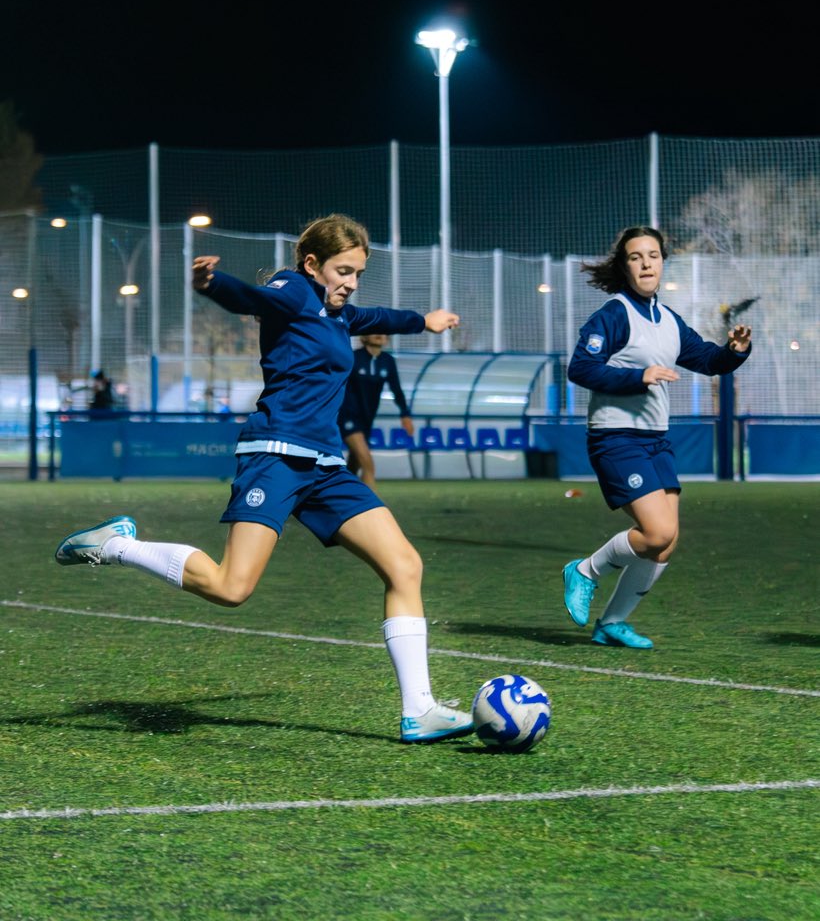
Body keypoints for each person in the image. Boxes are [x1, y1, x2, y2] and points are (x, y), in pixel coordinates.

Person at [54, 213, 473, 744]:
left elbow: (374, 313)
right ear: (312, 263)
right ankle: (116, 545)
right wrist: (213, 285)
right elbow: (254, 300)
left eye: (359, 272)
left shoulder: (336, 311)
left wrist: (425, 321)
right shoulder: (293, 291)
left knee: (405, 565)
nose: (351, 282)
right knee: (232, 587)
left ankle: (420, 710)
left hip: (325, 466)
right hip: (275, 454)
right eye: (343, 270)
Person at [561, 225, 752, 649]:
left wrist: (734, 351)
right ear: (624, 266)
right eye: (635, 257)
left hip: (655, 439)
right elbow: (580, 369)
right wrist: (638, 376)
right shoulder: (613, 315)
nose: (646, 263)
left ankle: (612, 623)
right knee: (657, 532)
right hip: (616, 437)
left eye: (653, 255)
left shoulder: (667, 319)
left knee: (664, 546)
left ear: (663, 262)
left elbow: (706, 359)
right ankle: (585, 571)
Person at [339, 334, 414, 490]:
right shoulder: (353, 357)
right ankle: (372, 510)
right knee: (368, 464)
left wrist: (405, 414)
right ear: (364, 337)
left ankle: (337, 498)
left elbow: (397, 390)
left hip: (367, 419)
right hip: (347, 417)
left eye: (384, 331)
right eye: (375, 330)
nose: (380, 334)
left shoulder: (387, 361)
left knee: (353, 466)